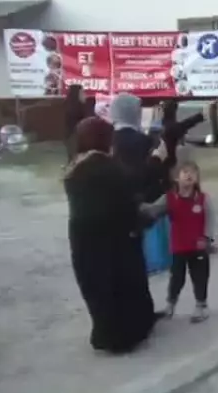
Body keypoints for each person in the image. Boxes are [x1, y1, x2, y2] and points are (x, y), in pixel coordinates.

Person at [63, 117, 166, 354]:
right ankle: (123, 336)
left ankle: (111, 331)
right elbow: (131, 184)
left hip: (86, 239)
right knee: (121, 284)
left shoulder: (77, 164)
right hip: (112, 238)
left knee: (99, 286)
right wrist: (156, 159)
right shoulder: (101, 166)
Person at [154, 160, 216, 323]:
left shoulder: (203, 199)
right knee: (176, 277)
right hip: (178, 246)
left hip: (198, 246)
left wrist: (207, 238)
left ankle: (201, 305)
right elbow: (153, 211)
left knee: (200, 276)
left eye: (193, 172)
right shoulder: (169, 198)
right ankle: (170, 305)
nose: (189, 175)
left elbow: (210, 220)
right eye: (185, 172)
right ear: (176, 177)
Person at [159, 99, 205, 175]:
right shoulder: (170, 126)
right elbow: (184, 125)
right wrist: (200, 117)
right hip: (166, 161)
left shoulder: (165, 124)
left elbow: (183, 125)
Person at [63, 84, 87, 161]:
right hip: (74, 138)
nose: (85, 95)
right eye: (82, 93)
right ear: (76, 94)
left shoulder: (76, 107)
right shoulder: (74, 110)